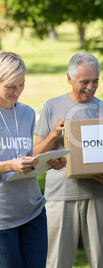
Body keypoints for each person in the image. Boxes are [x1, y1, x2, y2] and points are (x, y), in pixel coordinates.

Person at [34, 52, 103, 268]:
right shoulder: (51, 107)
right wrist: (54, 135)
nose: (91, 87)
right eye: (85, 82)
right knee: (56, 263)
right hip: (60, 196)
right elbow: (35, 156)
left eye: (95, 81)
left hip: (99, 195)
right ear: (69, 79)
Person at [0, 51, 65, 267]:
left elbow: (29, 155)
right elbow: (14, 162)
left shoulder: (27, 113)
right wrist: (10, 165)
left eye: (22, 85)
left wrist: (49, 160)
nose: (17, 92)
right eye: (11, 86)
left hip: (33, 211)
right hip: (3, 219)